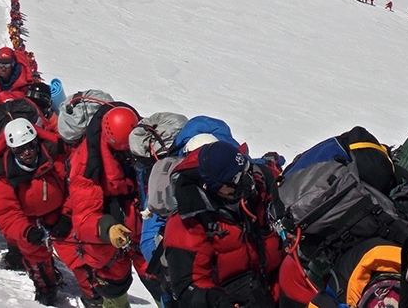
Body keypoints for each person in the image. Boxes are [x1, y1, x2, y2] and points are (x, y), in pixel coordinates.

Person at [0, 118, 98, 306]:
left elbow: (75, 187)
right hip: (28, 223)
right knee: (36, 260)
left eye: (30, 146)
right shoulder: (2, 174)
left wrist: (67, 215)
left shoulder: (56, 158)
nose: (27, 152)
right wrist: (26, 232)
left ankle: (94, 295)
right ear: (12, 150)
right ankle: (46, 289)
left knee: (78, 256)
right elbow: (5, 212)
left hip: (58, 215)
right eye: (20, 149)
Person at [163, 141, 284, 308]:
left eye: (245, 170)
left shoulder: (257, 185)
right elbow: (188, 286)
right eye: (234, 179)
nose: (245, 180)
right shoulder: (188, 222)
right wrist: (217, 302)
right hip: (231, 296)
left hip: (270, 285)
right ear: (213, 186)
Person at [70, 104, 163, 308]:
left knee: (161, 284)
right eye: (122, 153)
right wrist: (107, 228)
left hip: (143, 231)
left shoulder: (146, 145)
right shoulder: (87, 164)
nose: (127, 157)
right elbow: (83, 216)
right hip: (108, 243)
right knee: (112, 288)